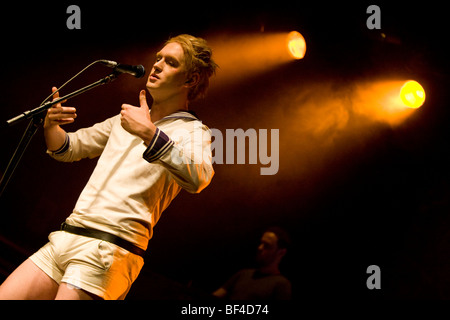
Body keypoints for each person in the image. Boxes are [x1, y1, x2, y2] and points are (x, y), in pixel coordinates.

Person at [0, 34, 218, 300]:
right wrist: (51, 126)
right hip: (66, 237)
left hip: (108, 248)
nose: (157, 65)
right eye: (158, 58)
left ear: (191, 79)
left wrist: (150, 134)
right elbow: (68, 148)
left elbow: (200, 178)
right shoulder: (127, 118)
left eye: (170, 62)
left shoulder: (193, 131)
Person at [212, 227, 292, 300]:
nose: (260, 248)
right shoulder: (243, 274)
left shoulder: (281, 284)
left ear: (281, 252)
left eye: (266, 245)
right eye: (261, 243)